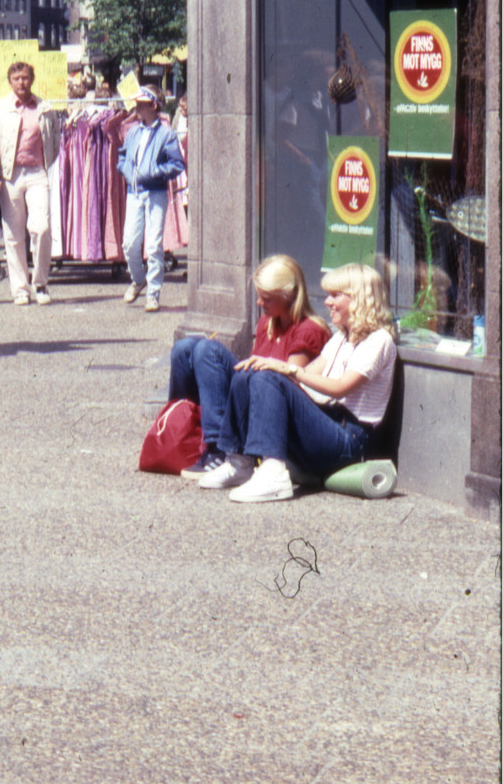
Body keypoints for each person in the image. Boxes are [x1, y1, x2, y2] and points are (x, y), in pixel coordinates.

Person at [204, 262, 396, 503]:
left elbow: (341, 387)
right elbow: (307, 375)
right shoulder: (340, 338)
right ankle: (239, 461)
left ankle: (274, 473)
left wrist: (288, 370)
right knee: (250, 372)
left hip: (349, 441)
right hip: (325, 422)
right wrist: (272, 369)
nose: (327, 302)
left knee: (270, 375)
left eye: (335, 295)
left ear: (360, 299)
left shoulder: (379, 341)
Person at [173, 255, 328, 482]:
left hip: (275, 415)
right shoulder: (268, 320)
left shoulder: (308, 330)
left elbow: (292, 386)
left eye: (267, 298)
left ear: (290, 296)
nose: (259, 303)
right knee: (186, 348)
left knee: (209, 350)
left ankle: (217, 448)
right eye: (259, 296)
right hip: (253, 398)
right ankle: (180, 432)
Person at [0, 60, 63, 305]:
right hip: (10, 176)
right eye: (16, 79)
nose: (21, 82)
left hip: (37, 172)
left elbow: (55, 141)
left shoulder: (45, 107)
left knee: (41, 228)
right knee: (13, 234)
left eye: (25, 78)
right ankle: (20, 289)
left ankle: (40, 283)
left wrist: (47, 163)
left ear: (32, 79)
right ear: (10, 82)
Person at [118, 86, 187, 313]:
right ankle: (138, 279)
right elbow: (122, 156)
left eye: (141, 104)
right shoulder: (133, 132)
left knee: (154, 244)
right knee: (129, 242)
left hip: (156, 192)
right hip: (134, 192)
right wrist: (127, 171)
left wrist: (154, 171)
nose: (136, 108)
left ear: (153, 105)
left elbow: (177, 164)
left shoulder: (166, 133)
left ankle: (153, 292)